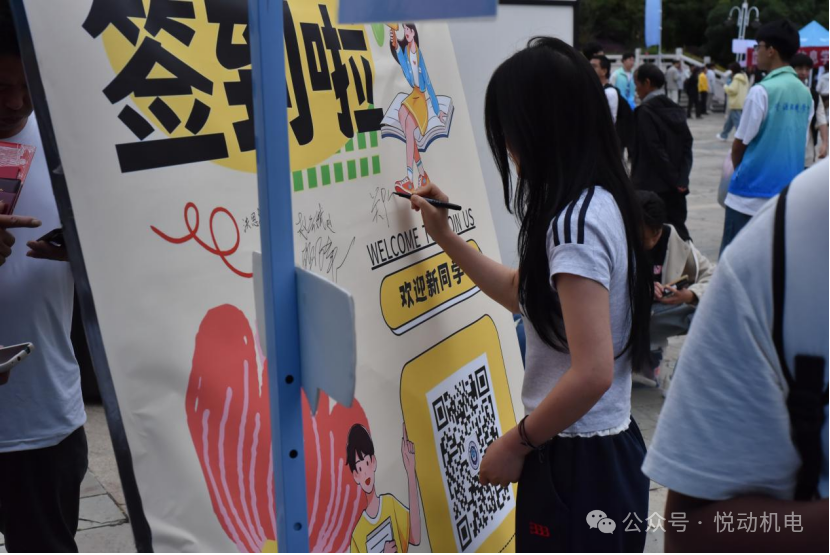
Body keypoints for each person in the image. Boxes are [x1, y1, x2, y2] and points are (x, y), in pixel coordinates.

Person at [409, 37, 653, 553]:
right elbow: (521, 294)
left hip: (576, 461)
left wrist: (516, 442)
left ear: (540, 129)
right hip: (603, 450)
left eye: (509, 131)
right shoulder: (600, 203)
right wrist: (446, 237)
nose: (507, 147)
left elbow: (592, 372)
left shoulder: (574, 226)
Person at [643, 159, 829, 553]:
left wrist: (685, 294)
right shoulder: (784, 243)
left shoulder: (679, 243)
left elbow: (706, 275)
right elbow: (688, 525)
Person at [0, 7, 88, 552]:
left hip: (44, 417)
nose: (15, 103)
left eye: (27, 86)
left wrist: (89, 254)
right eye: (0, 87)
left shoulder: (70, 145)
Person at [721, 20, 814, 254]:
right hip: (784, 198)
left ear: (771, 50)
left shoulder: (761, 90)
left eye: (758, 46)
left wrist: (743, 173)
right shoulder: (805, 94)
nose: (757, 52)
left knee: (733, 262)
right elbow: (801, 143)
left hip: (747, 197)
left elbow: (739, 145)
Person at [636, 191, 714, 391]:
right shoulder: (616, 240)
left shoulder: (675, 240)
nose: (650, 242)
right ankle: (640, 360)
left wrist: (690, 295)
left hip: (659, 314)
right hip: (626, 318)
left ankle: (681, 380)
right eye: (643, 237)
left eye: (655, 235)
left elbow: (713, 276)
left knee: (713, 311)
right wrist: (640, 288)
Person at [631, 64, 694, 242]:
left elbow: (654, 149)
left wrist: (674, 179)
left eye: (637, 84)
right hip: (676, 188)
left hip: (652, 187)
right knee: (679, 234)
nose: (636, 89)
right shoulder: (676, 108)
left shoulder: (645, 112)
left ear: (647, 83)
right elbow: (687, 144)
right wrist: (681, 179)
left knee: (653, 236)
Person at [388, 23, 447, 194]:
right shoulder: (407, 52)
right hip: (413, 94)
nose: (406, 32)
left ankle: (409, 179)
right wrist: (396, 46)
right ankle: (422, 174)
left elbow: (428, 83)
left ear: (414, 33)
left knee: (409, 128)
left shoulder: (419, 55)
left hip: (420, 98)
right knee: (402, 115)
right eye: (405, 30)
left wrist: (437, 110)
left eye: (408, 30)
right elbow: (404, 66)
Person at [347, 424, 421, 553]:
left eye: (367, 463)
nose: (365, 473)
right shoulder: (357, 536)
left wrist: (410, 471)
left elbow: (415, 537)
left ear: (373, 462)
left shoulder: (390, 503)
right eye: (360, 468)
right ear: (356, 475)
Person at [791, 53, 828, 168]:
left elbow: (821, 119)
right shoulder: (783, 91)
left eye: (807, 69)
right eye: (800, 68)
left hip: (807, 153)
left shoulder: (813, 95)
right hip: (784, 151)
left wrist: (824, 143)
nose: (803, 72)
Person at [717, 63, 749, 141]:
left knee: (738, 123)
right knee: (729, 122)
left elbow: (732, 90)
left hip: (735, 103)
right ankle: (723, 135)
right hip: (741, 102)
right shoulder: (744, 78)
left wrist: (725, 86)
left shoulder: (736, 78)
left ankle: (742, 139)